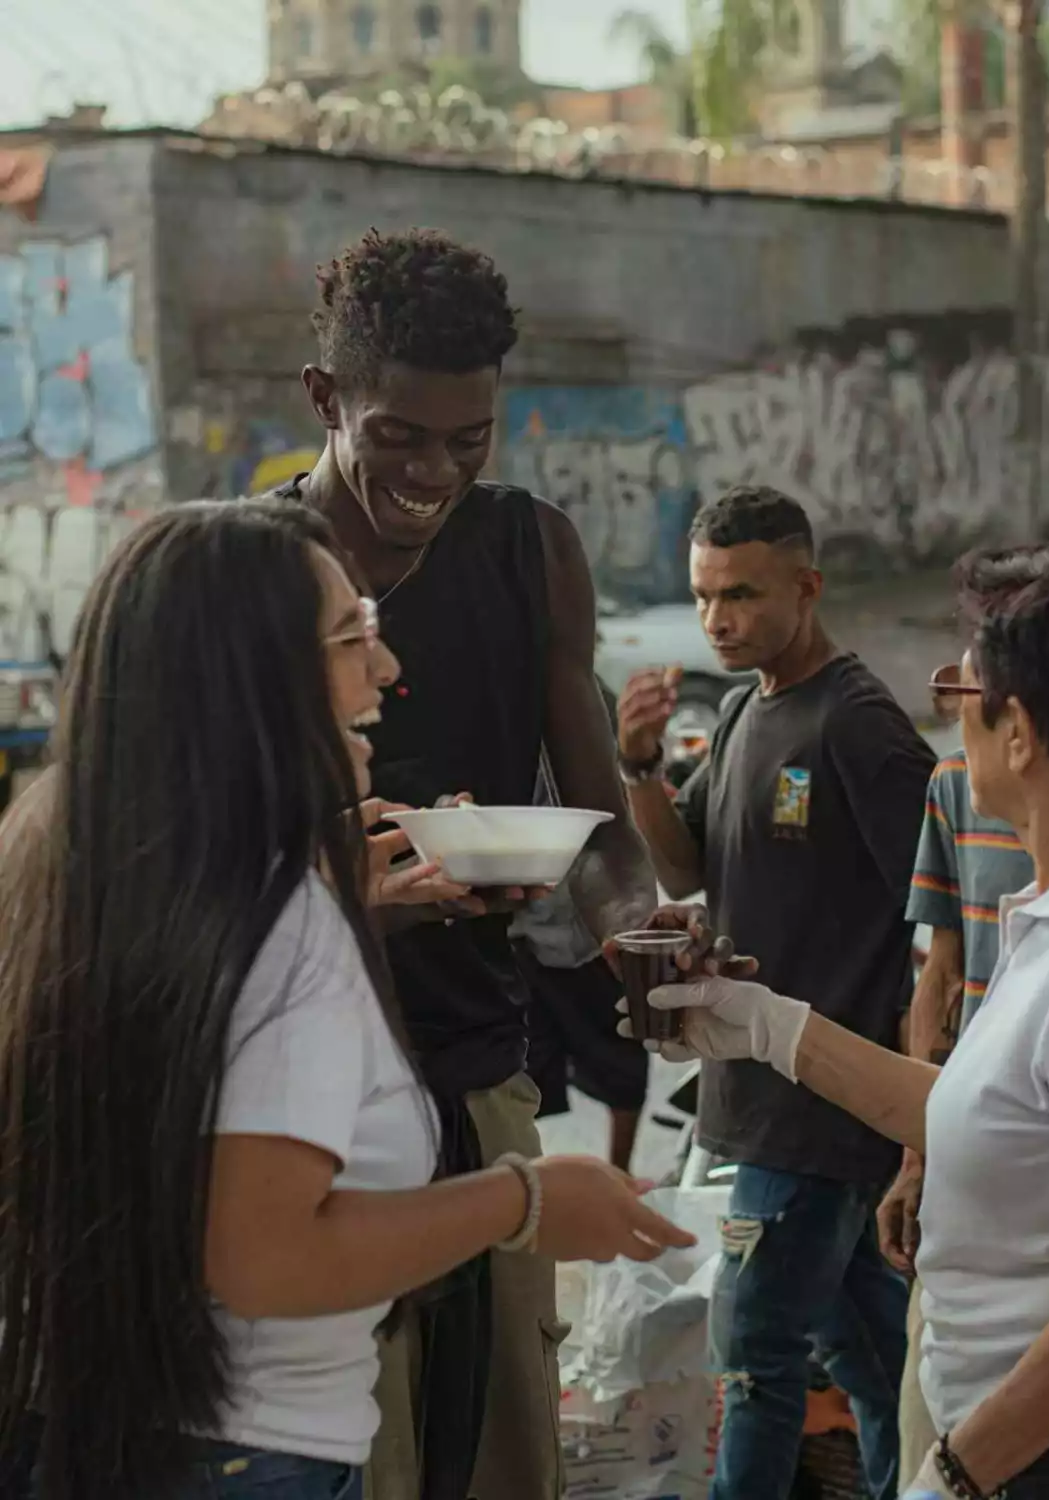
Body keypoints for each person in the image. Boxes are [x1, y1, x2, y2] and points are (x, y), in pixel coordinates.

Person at [0, 500, 695, 1500]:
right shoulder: (281, 925)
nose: (386, 670)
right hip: (245, 1458)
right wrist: (525, 1199)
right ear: (250, 680)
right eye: (350, 638)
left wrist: (343, 897)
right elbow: (266, 1256)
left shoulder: (77, 863)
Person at [268, 227, 658, 1500]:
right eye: (397, 437)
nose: (433, 474)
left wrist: (645, 937)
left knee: (500, 1457)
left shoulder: (528, 550)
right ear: (325, 399)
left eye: (467, 440)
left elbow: (597, 826)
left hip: (480, 1070)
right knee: (358, 1453)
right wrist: (369, 899)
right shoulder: (248, 573)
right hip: (301, 1094)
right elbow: (195, 872)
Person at [638, 539, 1049, 1498]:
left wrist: (965, 1471)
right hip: (1009, 1442)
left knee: (762, 1353)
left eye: (959, 693)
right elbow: (986, 1112)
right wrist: (764, 1026)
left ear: (1020, 732)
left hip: (1047, 1460)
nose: (949, 719)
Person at [615, 485, 937, 1500]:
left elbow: (943, 917)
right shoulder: (745, 710)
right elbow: (683, 866)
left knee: (753, 1365)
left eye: (743, 595)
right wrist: (637, 765)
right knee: (876, 1363)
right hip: (752, 1096)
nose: (717, 619)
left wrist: (918, 1123)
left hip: (821, 1110)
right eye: (704, 596)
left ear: (807, 586)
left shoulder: (858, 724)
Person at [880, 742, 1033, 1488]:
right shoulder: (954, 783)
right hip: (965, 1173)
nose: (953, 698)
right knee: (927, 1429)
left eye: (971, 690)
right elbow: (943, 973)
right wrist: (917, 1156)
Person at [515, 677, 647, 1172]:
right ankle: (528, 1180)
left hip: (592, 933)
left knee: (621, 1062)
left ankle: (619, 1173)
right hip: (523, 934)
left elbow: (616, 828)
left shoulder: (583, 690)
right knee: (521, 1068)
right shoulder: (498, 702)